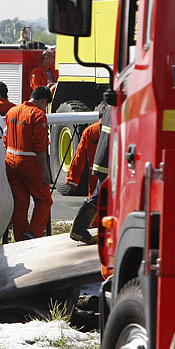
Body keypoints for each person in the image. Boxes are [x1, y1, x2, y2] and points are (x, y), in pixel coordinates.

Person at [2, 86, 54, 241]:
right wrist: (45, 171)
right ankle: (33, 233)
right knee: (44, 200)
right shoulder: (38, 115)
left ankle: (20, 239)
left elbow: (5, 138)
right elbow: (40, 146)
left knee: (20, 202)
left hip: (10, 161)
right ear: (43, 100)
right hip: (29, 163)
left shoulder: (12, 111)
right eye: (46, 104)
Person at [70, 104, 113, 244]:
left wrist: (72, 179)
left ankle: (80, 228)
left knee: (98, 196)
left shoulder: (91, 129)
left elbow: (78, 156)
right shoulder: (118, 111)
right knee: (101, 197)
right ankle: (81, 228)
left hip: (101, 164)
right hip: (111, 164)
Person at [64, 104, 105, 195]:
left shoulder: (89, 131)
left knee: (94, 200)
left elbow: (79, 156)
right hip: (113, 175)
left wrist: (72, 179)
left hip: (94, 174)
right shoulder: (118, 129)